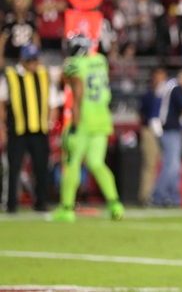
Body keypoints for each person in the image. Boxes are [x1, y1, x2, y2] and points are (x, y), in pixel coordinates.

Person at [52, 34, 124, 222]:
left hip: (83, 119)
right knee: (97, 163)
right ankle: (115, 205)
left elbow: (78, 90)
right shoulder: (100, 61)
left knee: (72, 164)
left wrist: (75, 125)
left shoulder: (74, 64)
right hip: (102, 118)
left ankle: (66, 208)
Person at [0, 43, 58, 213]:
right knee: (13, 168)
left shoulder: (44, 75)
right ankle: (11, 204)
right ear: (22, 59)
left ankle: (41, 202)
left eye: (35, 60)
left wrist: (50, 123)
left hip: (40, 131)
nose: (33, 64)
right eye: (29, 60)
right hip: (17, 130)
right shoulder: (10, 75)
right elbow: (1, 102)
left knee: (41, 168)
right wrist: (2, 126)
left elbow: (53, 103)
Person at [150, 68, 182, 207]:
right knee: (172, 165)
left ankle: (173, 197)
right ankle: (159, 196)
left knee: (172, 165)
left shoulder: (167, 85)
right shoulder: (176, 87)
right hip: (170, 129)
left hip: (163, 128)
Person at [138, 67, 166, 206]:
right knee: (149, 164)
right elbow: (142, 113)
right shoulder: (148, 94)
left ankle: (160, 195)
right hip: (150, 130)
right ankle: (146, 196)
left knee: (165, 165)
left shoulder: (167, 93)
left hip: (165, 131)